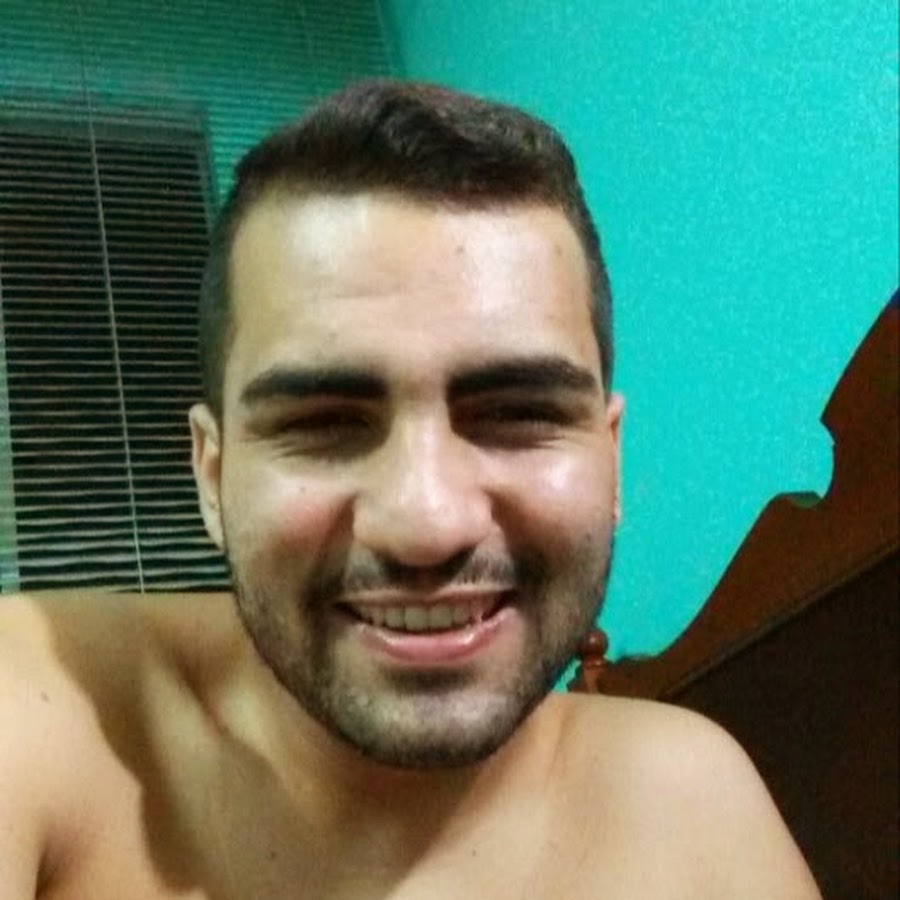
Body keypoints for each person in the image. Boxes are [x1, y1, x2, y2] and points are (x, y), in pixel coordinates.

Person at [0, 80, 820, 899]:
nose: (427, 525)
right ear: (210, 476)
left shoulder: (696, 809)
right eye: (324, 424)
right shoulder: (37, 707)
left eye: (518, 414)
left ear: (611, 460)